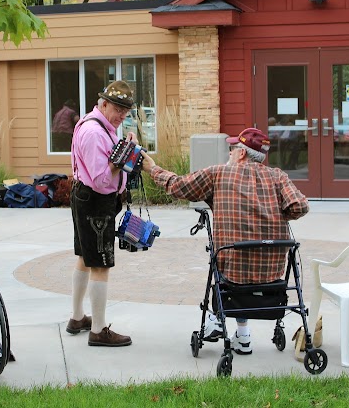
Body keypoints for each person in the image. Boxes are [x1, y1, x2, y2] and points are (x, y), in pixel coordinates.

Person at [141, 127, 309, 355]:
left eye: (232, 149)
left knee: (226, 260)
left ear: (241, 153)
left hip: (233, 269)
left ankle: (215, 319)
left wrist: (152, 168)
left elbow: (179, 186)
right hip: (272, 271)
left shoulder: (218, 174)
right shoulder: (278, 176)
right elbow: (300, 206)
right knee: (239, 259)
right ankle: (243, 335)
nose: (229, 153)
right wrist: (277, 214)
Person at [66, 80, 136, 347]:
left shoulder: (100, 126)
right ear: (103, 103)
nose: (121, 116)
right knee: (101, 263)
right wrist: (126, 155)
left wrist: (124, 149)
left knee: (85, 257)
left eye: (125, 111)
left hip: (86, 197)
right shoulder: (96, 132)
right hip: (95, 200)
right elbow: (101, 178)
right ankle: (97, 329)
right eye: (118, 109)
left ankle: (77, 318)